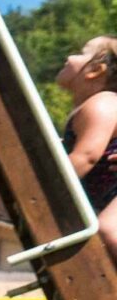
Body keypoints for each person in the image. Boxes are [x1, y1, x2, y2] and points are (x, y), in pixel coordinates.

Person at [53, 36, 117, 232]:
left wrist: (47, 186)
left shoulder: (103, 103)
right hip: (105, 198)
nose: (69, 57)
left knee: (108, 230)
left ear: (95, 69)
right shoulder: (93, 107)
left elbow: (86, 156)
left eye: (81, 53)